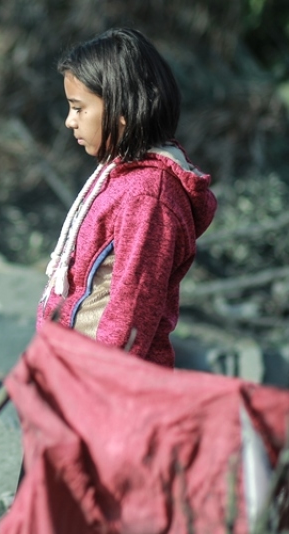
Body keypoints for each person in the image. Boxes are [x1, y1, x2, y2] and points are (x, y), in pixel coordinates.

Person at [39, 27, 217, 367]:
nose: (68, 122)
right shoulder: (118, 177)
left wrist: (102, 384)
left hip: (106, 389)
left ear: (122, 109)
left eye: (78, 108)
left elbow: (132, 308)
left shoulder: (148, 197)